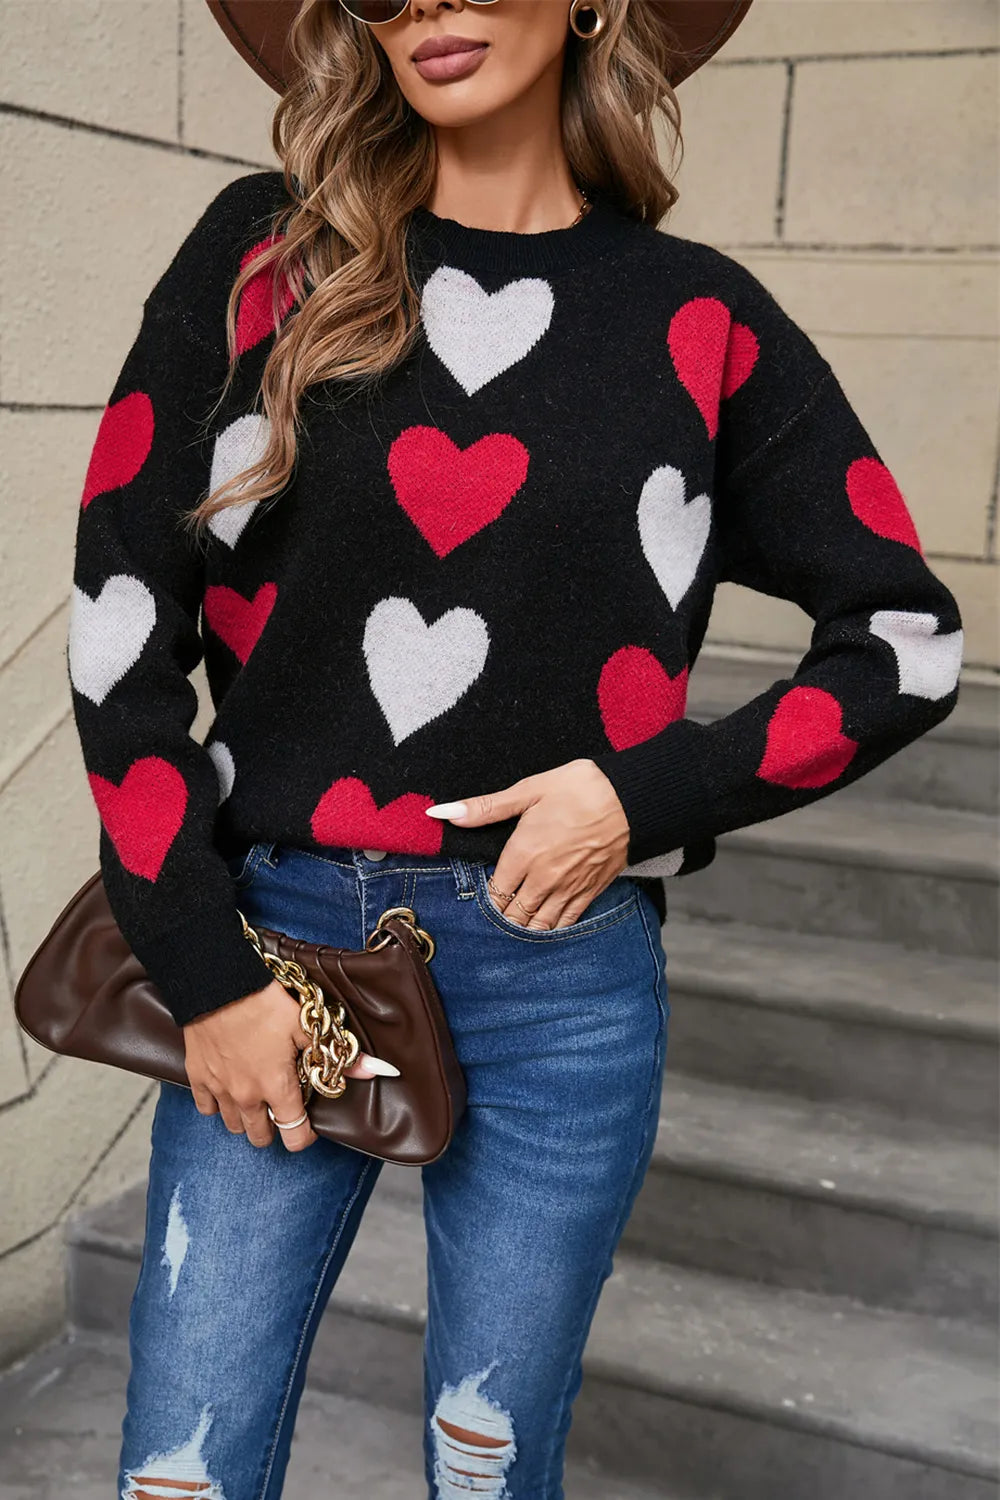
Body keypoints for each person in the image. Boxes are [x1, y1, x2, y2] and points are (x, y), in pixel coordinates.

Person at [67, 0, 964, 1493]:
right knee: (182, 1470)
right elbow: (119, 633)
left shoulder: (700, 319)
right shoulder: (262, 260)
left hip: (563, 977)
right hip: (275, 954)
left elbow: (908, 643)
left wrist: (641, 795)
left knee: (488, 1466)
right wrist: (206, 975)